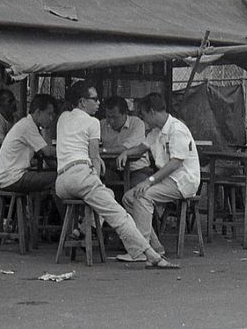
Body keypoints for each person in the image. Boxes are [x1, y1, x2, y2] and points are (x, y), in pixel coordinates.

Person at [55, 81, 178, 269]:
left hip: (61, 181)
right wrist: (96, 178)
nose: (98, 103)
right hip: (81, 176)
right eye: (94, 99)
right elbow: (94, 157)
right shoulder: (93, 122)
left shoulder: (63, 117)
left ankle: (82, 229)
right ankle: (150, 254)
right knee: (120, 216)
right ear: (82, 101)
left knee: (109, 195)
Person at [118, 92, 200, 261]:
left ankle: (140, 251)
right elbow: (141, 148)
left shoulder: (177, 129)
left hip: (182, 181)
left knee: (143, 196)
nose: (143, 119)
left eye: (144, 114)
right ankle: (155, 248)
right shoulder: (157, 131)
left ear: (153, 112)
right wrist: (126, 152)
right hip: (167, 179)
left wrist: (150, 181)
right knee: (128, 198)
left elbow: (175, 163)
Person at [0, 93, 58, 194]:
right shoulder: (28, 126)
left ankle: (42, 209)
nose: (51, 119)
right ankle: (63, 210)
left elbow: (47, 157)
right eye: (49, 114)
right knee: (58, 178)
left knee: (52, 176)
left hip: (10, 177)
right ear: (38, 113)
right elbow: (48, 152)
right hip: (13, 178)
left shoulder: (31, 126)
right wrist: (66, 150)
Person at [100, 96, 151, 188]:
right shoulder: (102, 124)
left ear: (125, 114)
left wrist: (102, 150)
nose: (111, 121)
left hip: (136, 169)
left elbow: (124, 148)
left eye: (115, 117)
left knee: (137, 191)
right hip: (112, 169)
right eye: (108, 117)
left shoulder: (137, 123)